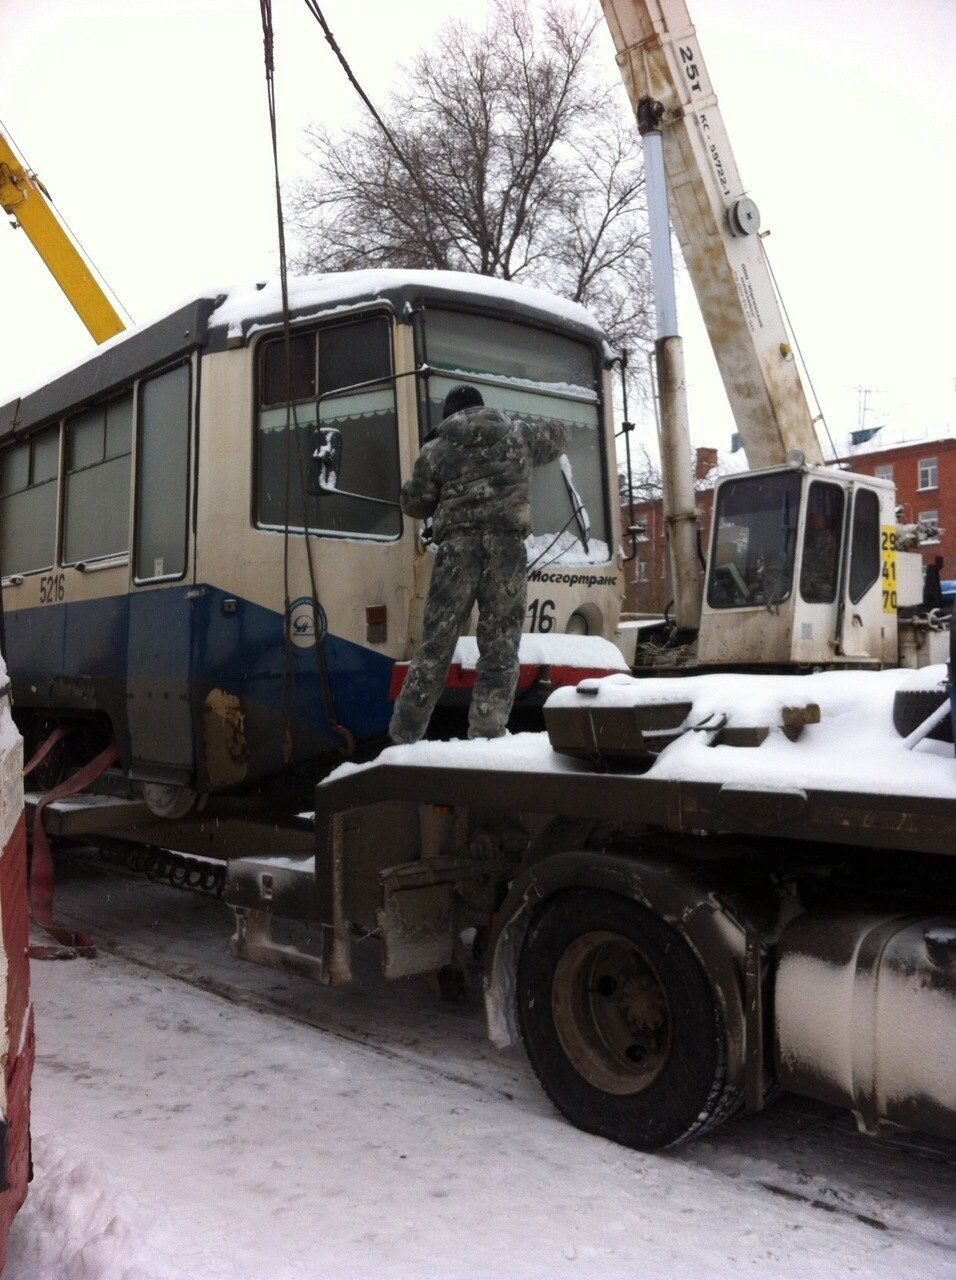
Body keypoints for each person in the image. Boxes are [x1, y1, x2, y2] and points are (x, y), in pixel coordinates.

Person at [389, 384, 567, 743]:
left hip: (458, 551)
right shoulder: (519, 433)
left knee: (436, 647)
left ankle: (403, 737)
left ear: (450, 415)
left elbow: (415, 504)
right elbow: (558, 437)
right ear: (480, 407)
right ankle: (487, 736)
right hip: (507, 551)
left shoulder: (437, 448)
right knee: (500, 648)